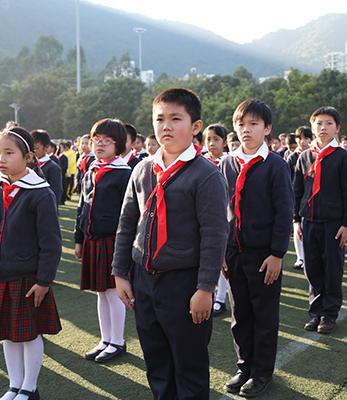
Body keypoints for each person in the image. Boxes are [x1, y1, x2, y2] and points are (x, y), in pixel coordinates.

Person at [112, 88, 228, 400]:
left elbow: (215, 236)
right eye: (160, 119)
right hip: (144, 279)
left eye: (176, 119)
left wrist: (205, 289)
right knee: (157, 363)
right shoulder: (143, 169)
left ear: (195, 126)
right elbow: (127, 223)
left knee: (189, 366)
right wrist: (120, 273)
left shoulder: (206, 175)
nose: (166, 126)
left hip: (185, 283)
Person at [0, 127, 62, 400]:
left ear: (28, 157)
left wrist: (44, 281)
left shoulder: (40, 193)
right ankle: (14, 386)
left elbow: (51, 244)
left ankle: (29, 388)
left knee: (29, 334)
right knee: (8, 335)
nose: (1, 158)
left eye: (9, 153)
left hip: (27, 279)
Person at [220, 99, 293, 397]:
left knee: (264, 315)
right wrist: (222, 252)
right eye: (241, 124)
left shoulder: (275, 165)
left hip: (264, 255)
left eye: (254, 124)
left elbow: (284, 211)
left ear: (267, 128)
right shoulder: (227, 163)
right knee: (240, 315)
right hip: (233, 252)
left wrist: (277, 253)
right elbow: (220, 209)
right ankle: (244, 367)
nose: (246, 130)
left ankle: (262, 372)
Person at [293, 107, 347, 334]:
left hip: (333, 224)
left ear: (337, 128)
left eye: (329, 123)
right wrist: (296, 220)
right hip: (308, 221)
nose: (323, 128)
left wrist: (346, 224)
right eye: (318, 123)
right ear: (312, 127)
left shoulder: (342, 157)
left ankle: (329, 314)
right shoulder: (304, 157)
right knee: (312, 269)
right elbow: (297, 191)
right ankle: (316, 312)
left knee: (332, 269)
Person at [75, 119, 131, 363]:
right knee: (101, 292)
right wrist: (79, 239)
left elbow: (130, 214)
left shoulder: (124, 173)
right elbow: (82, 206)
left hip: (113, 240)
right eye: (95, 139)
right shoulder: (91, 169)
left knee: (113, 292)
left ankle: (117, 341)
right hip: (92, 239)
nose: (99, 144)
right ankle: (105, 339)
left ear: (118, 145)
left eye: (106, 140)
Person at [202, 123, 230, 316]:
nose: (211, 143)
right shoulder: (199, 162)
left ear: (225, 142)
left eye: (216, 139)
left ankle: (220, 299)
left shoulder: (230, 162)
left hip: (223, 216)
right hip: (202, 216)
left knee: (220, 259)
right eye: (208, 139)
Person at [287, 126, 313, 270]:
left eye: (306, 138)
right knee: (297, 225)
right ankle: (300, 257)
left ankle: (309, 256)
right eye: (299, 139)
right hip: (296, 196)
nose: (302, 142)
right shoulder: (292, 157)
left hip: (310, 196)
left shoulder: (314, 155)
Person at [30, 130, 63, 208]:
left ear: (47, 147)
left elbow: (56, 192)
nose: (33, 151)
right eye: (31, 148)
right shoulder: (27, 165)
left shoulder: (53, 168)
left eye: (36, 148)